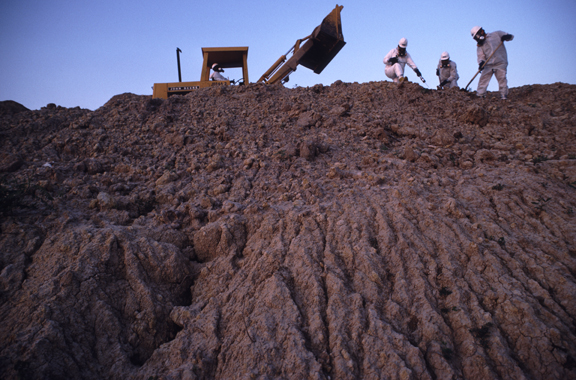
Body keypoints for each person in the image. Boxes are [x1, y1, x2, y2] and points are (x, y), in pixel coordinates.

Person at [470, 26, 514, 99]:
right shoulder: (480, 45)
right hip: (488, 65)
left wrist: (507, 37)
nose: (477, 38)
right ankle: (480, 95)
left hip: (500, 62)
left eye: (477, 36)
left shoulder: (496, 34)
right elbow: (480, 56)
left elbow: (511, 37)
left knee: (502, 79)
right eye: (475, 38)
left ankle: (504, 95)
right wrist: (481, 63)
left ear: (481, 31)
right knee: (483, 79)